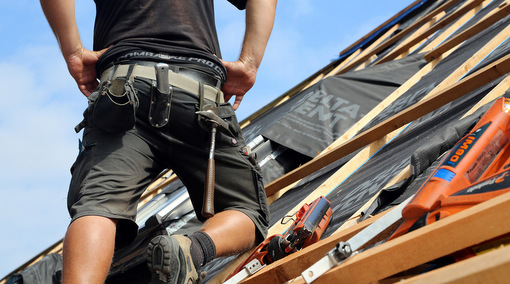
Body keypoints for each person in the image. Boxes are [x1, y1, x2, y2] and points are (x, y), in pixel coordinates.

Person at [39, 0, 277, 283]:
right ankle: (192, 250)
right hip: (200, 93)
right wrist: (250, 62)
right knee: (246, 209)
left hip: (125, 89)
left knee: (98, 206)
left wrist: (73, 51)